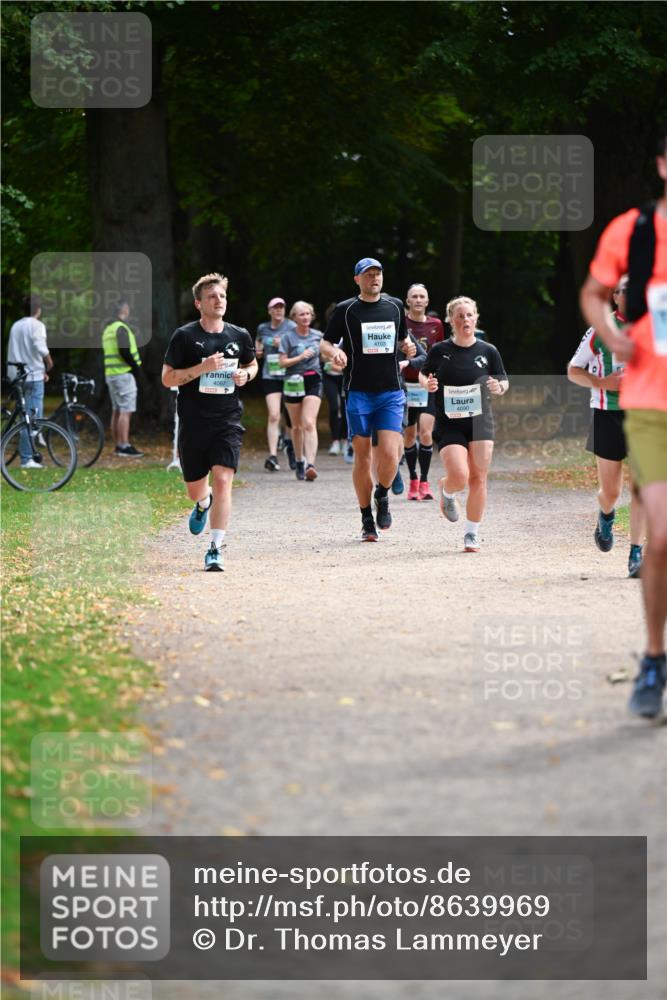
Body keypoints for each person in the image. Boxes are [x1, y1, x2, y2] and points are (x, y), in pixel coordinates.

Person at [580, 127, 667, 719]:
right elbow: (593, 292)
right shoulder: (632, 230)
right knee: (661, 534)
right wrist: (611, 336)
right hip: (652, 405)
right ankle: (655, 659)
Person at [161, 273, 258, 571]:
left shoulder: (238, 335)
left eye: (222, 296)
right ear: (198, 304)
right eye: (212, 296)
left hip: (226, 420)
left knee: (224, 479)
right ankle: (203, 503)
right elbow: (167, 378)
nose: (219, 300)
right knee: (196, 488)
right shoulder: (185, 336)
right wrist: (202, 367)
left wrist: (246, 375)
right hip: (193, 422)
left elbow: (252, 364)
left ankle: (215, 547)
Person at [321, 257, 416, 541]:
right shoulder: (346, 310)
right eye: (368, 275)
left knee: (389, 453)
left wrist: (408, 346)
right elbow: (325, 341)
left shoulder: (395, 306)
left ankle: (382, 495)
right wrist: (333, 353)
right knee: (362, 458)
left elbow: (403, 340)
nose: (374, 278)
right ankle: (366, 518)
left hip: (390, 390)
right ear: (357, 280)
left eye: (378, 274)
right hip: (358, 391)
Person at [567, 276, 645, 577]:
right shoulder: (600, 330)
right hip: (607, 413)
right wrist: (602, 382)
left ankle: (636, 553)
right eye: (625, 290)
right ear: (615, 297)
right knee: (610, 491)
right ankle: (606, 515)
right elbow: (573, 370)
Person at [420, 295, 508, 552]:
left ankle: (471, 534)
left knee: (479, 477)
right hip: (450, 423)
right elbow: (425, 374)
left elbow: (503, 381)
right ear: (451, 320)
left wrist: (498, 386)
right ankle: (447, 491)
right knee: (460, 476)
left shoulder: (488, 351)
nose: (465, 319)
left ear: (476, 318)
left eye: (469, 315)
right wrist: (429, 384)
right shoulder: (440, 350)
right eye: (460, 315)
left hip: (481, 421)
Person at [402, 283, 445, 501]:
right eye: (414, 296)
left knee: (426, 433)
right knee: (409, 435)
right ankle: (413, 479)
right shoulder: (401, 323)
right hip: (406, 384)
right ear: (408, 301)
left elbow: (439, 354)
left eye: (422, 297)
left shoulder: (436, 324)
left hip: (427, 385)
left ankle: (425, 481)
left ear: (427, 301)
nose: (418, 300)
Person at [7, 294, 53, 468]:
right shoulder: (37, 325)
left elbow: (21, 351)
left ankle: (26, 446)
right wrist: (49, 362)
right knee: (32, 418)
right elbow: (39, 346)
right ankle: (27, 459)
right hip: (32, 377)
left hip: (17, 376)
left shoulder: (16, 326)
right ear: (38, 310)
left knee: (23, 416)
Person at [279, 301, 323, 481]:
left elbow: (328, 354)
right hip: (293, 380)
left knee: (309, 422)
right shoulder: (287, 337)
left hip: (313, 378)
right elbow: (282, 362)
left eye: (308, 314)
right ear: (294, 317)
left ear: (312, 316)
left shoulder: (319, 336)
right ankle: (299, 460)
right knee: (296, 426)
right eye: (301, 314)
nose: (305, 317)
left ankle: (310, 465)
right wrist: (300, 357)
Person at [255, 296, 296, 472]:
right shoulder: (263, 328)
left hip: (290, 375)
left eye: (281, 307)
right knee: (274, 415)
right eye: (275, 308)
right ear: (269, 310)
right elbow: (258, 346)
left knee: (291, 419)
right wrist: (258, 351)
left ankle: (290, 446)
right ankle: (272, 455)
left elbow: (299, 345)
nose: (278, 310)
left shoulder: (292, 327)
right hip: (270, 374)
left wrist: (284, 344)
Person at [102, 299, 144, 457]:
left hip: (111, 374)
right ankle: (125, 445)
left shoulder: (108, 329)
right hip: (123, 374)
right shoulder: (121, 328)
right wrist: (135, 367)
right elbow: (124, 351)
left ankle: (118, 445)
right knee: (126, 411)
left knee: (117, 410)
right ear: (124, 310)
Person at [322, 301, 348, 455]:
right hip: (329, 377)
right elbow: (322, 356)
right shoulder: (327, 335)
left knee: (345, 408)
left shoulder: (348, 333)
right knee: (334, 406)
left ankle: (345, 440)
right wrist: (330, 362)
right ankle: (335, 441)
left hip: (344, 376)